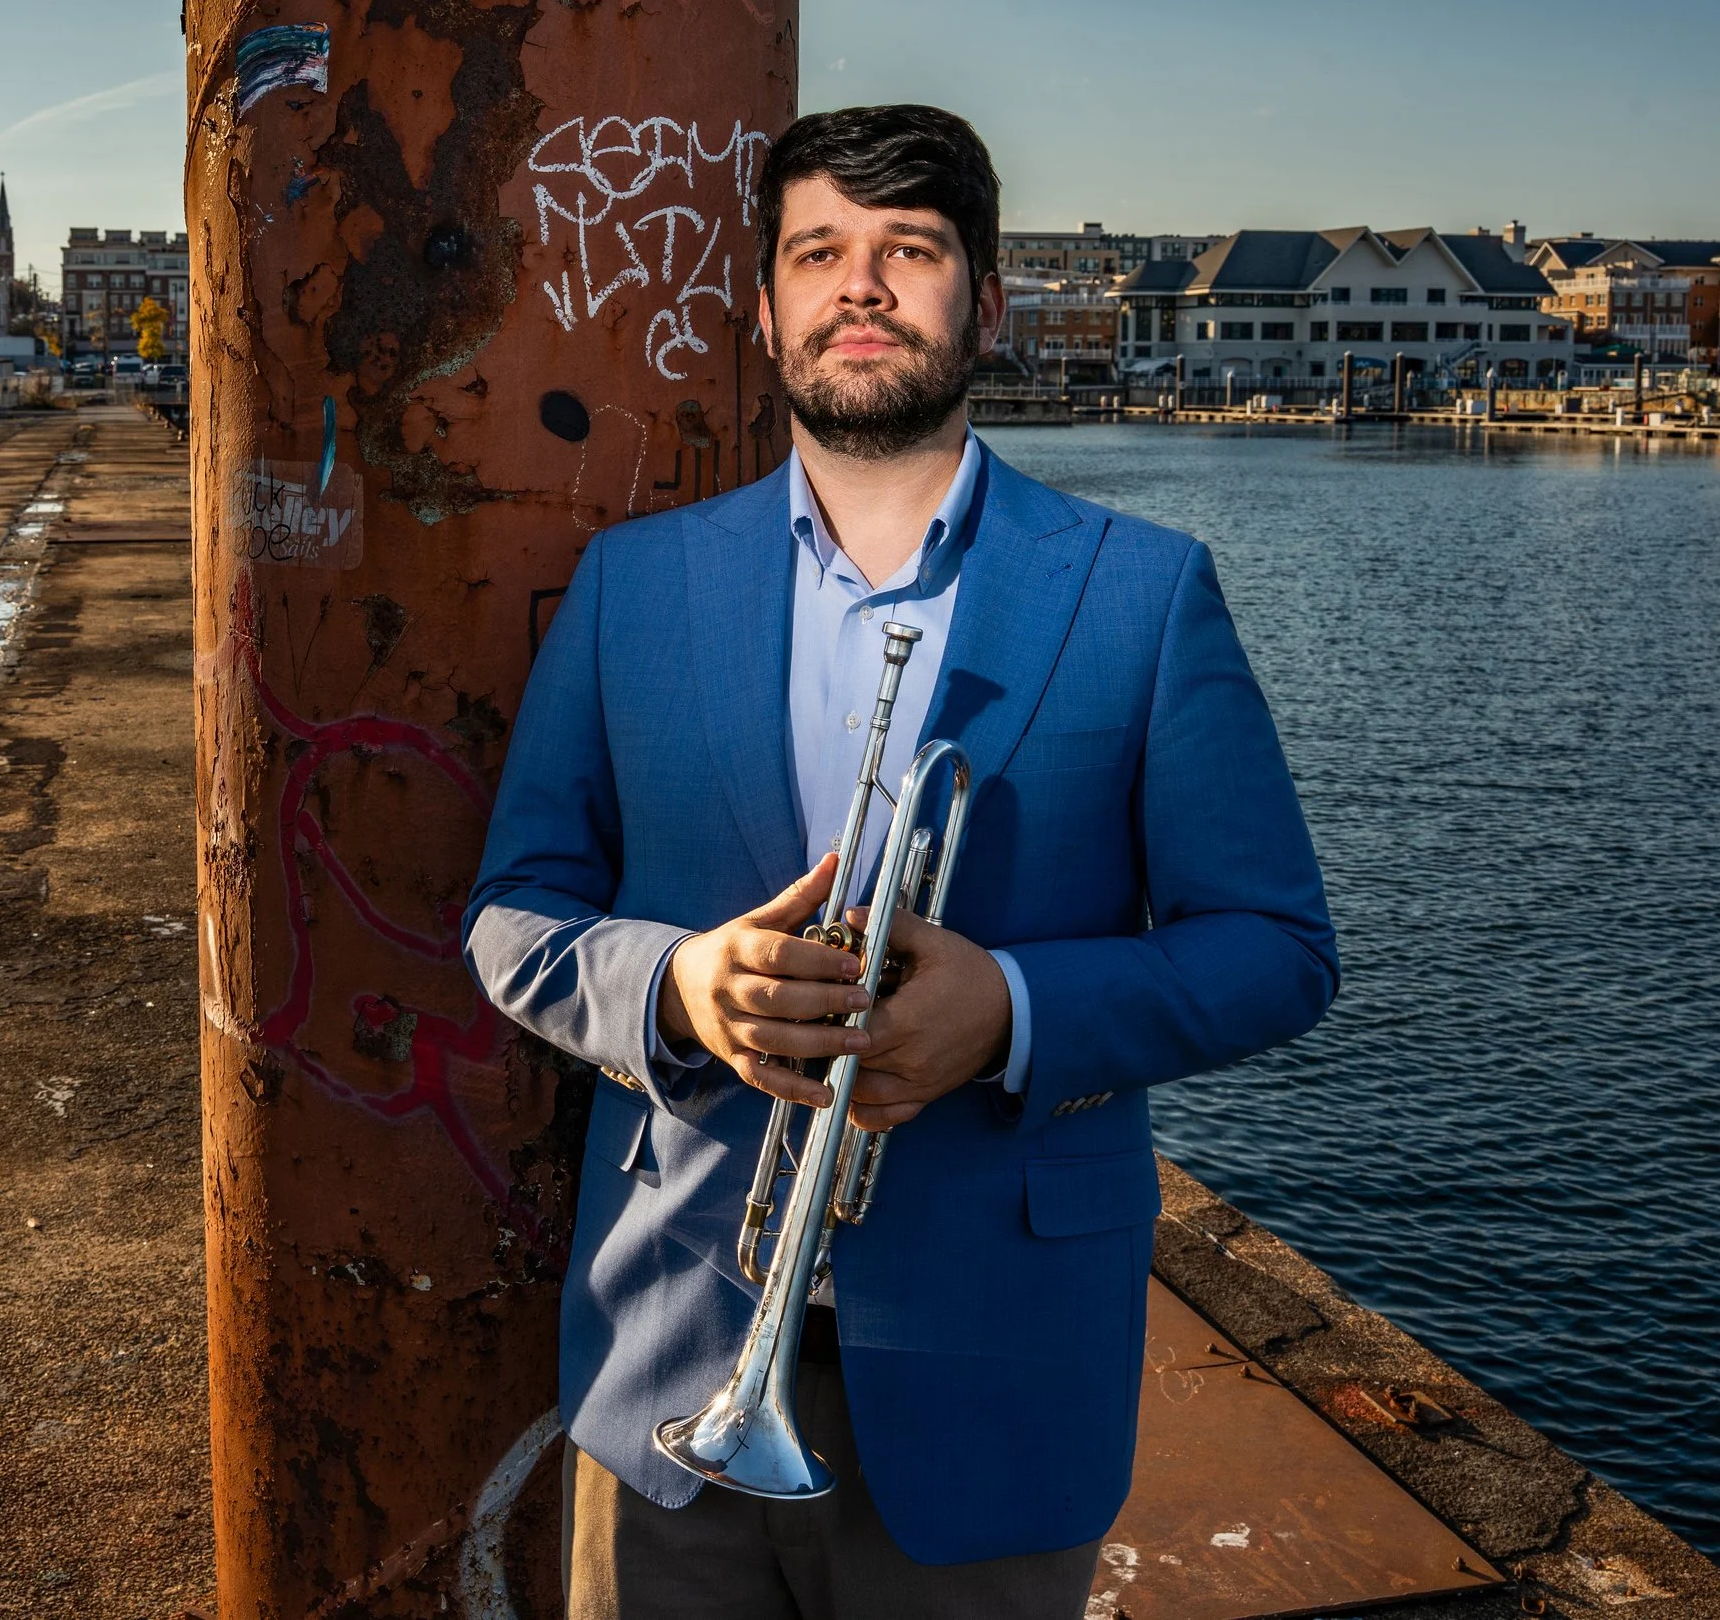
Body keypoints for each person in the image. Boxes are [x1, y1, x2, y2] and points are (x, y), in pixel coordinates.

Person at [461, 104, 1337, 1620]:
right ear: (766, 307)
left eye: (910, 251)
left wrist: (1008, 1006)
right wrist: (677, 983)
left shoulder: (1143, 595)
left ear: (985, 303)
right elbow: (512, 917)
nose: (860, 288)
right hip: (669, 1364)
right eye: (820, 253)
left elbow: (1273, 944)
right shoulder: (633, 587)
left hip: (994, 1380)